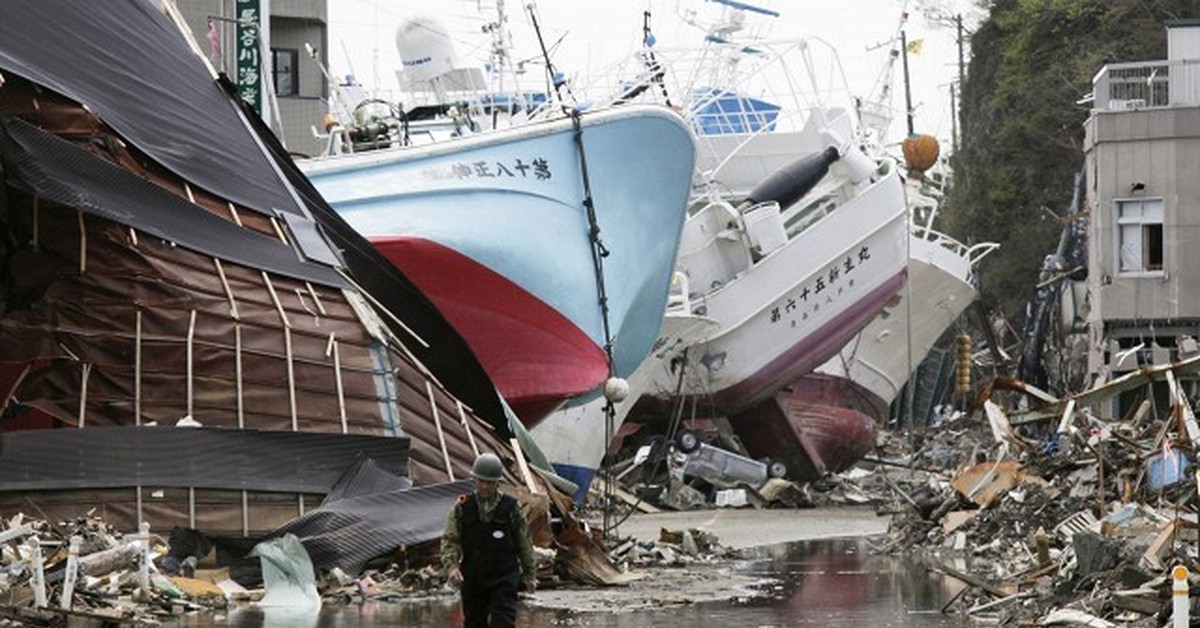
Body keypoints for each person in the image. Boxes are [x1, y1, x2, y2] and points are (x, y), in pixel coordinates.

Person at [440, 452, 537, 627]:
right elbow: (449, 539)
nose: (484, 486)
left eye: (489, 482)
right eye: (480, 481)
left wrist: (530, 574)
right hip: (473, 577)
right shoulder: (462, 507)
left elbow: (525, 541)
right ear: (474, 480)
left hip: (504, 577)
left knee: (503, 621)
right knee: (474, 622)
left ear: (497, 482)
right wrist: (452, 567)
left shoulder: (511, 507)